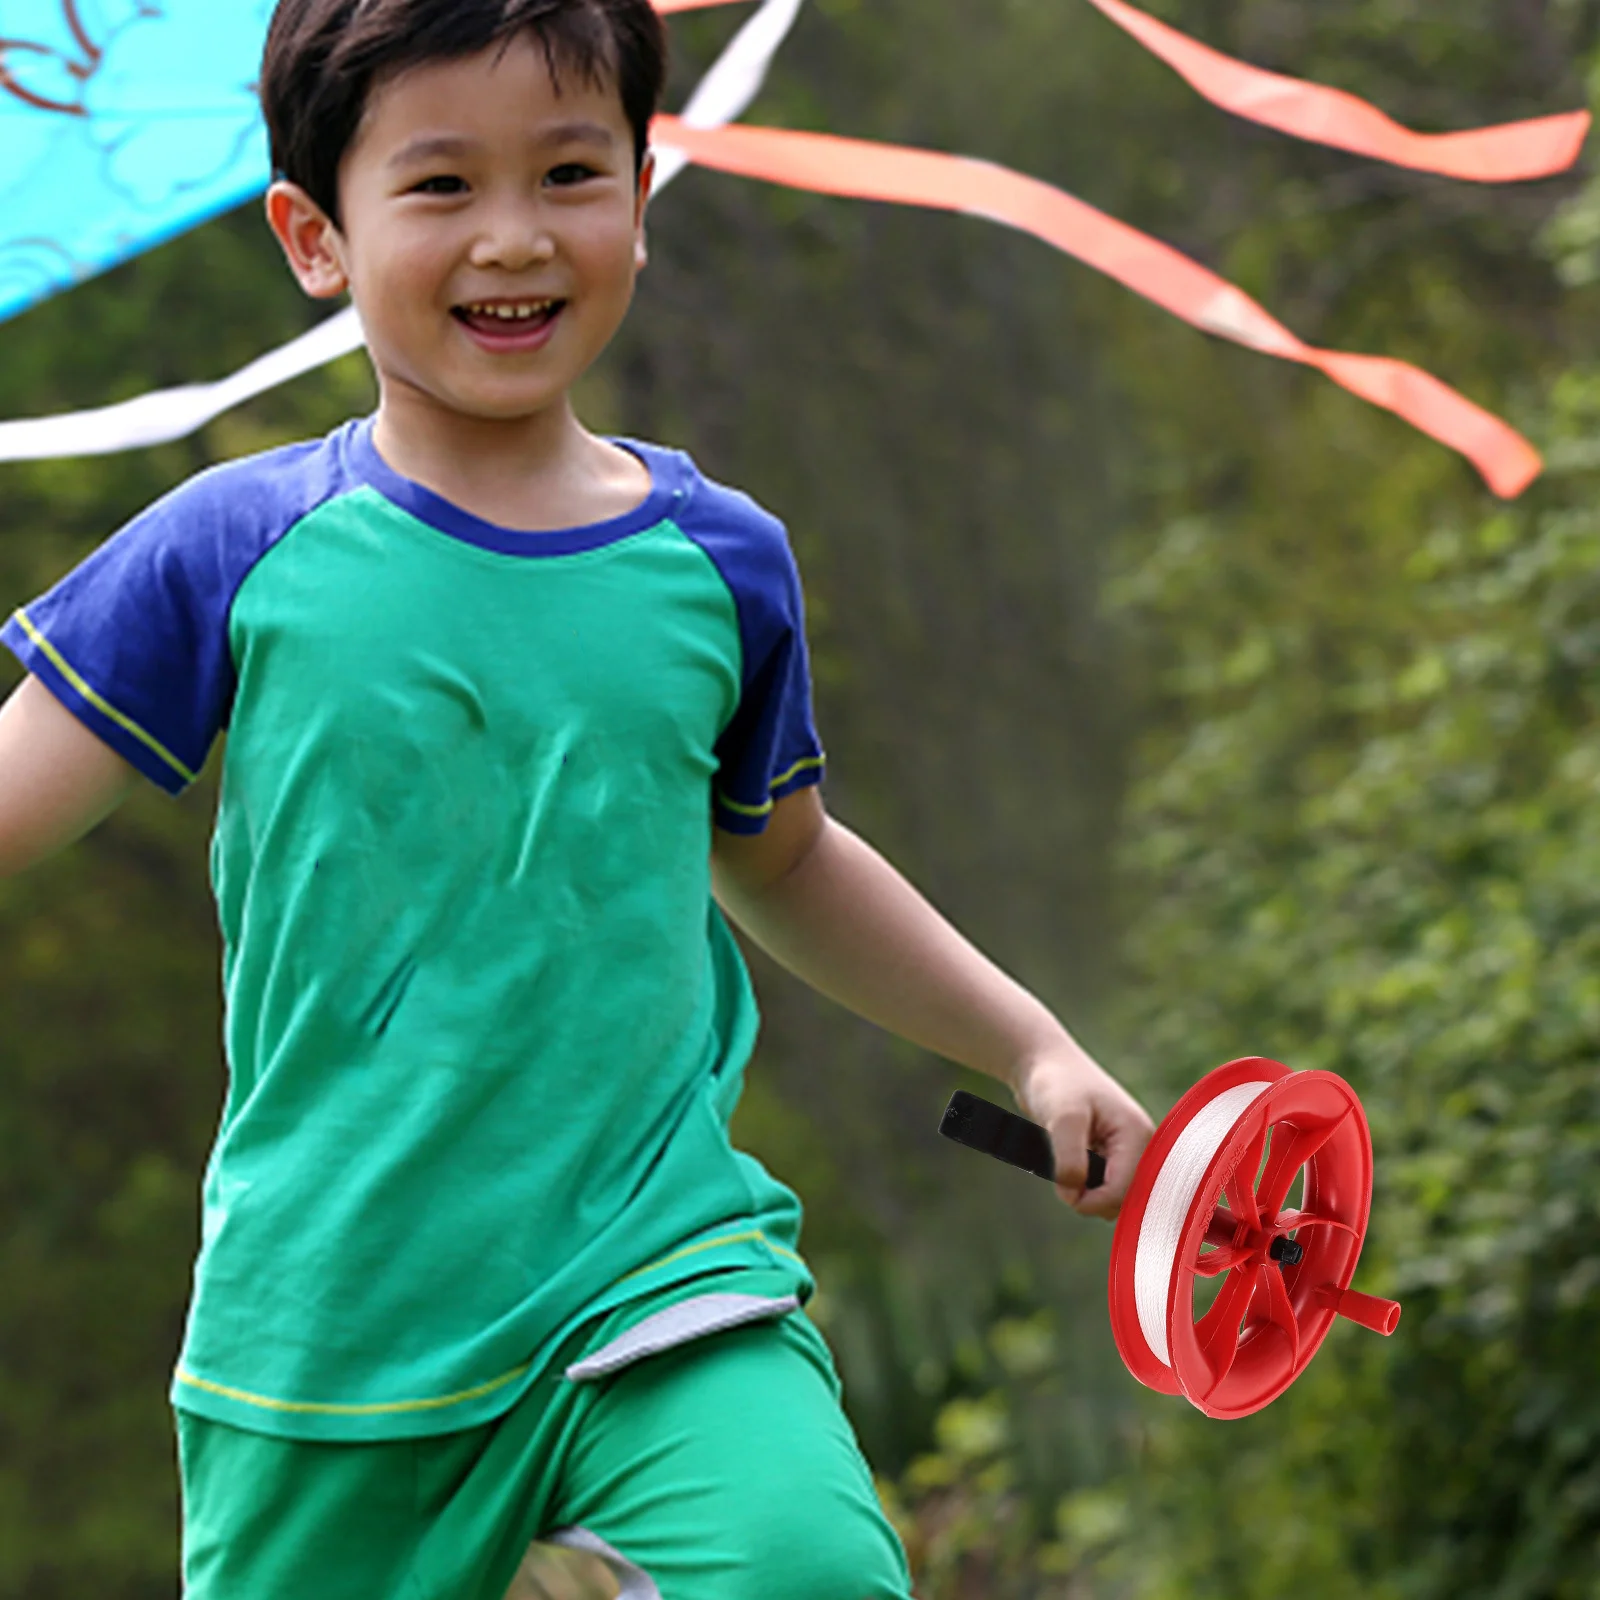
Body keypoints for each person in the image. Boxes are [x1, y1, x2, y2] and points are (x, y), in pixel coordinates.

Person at [0, 0, 1155, 1593]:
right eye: (441, 186)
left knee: (810, 1570)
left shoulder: (718, 562)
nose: (513, 237)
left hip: (655, 1273)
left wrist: (1028, 1044)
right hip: (335, 1336)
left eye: (565, 173)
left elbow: (786, 860)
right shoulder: (230, 549)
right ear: (313, 235)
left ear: (640, 186)